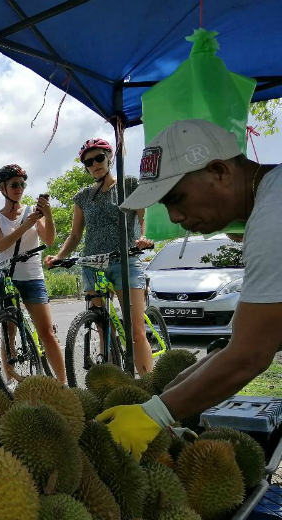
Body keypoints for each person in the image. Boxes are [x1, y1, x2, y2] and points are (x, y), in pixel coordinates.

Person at [96, 118, 281, 458]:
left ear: (219, 172)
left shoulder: (274, 218)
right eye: (166, 206)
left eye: (177, 198)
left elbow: (250, 356)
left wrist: (155, 414)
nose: (175, 217)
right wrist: (166, 398)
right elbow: (251, 342)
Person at [44, 138, 154, 374]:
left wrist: (145, 238)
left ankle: (149, 384)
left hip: (125, 260)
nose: (94, 165)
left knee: (135, 331)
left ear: (109, 158)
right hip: (93, 264)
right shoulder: (83, 196)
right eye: (88, 162)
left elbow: (144, 218)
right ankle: (112, 379)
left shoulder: (129, 184)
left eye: (99, 158)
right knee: (102, 326)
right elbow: (75, 235)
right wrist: (59, 256)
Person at [0, 164, 66, 384]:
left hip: (32, 276)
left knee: (47, 333)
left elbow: (49, 240)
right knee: (8, 333)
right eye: (14, 185)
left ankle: (63, 384)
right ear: (1, 188)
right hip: (7, 278)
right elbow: (0, 245)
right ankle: (10, 383)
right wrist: (25, 226)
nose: (19, 189)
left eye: (22, 184)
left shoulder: (32, 211)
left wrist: (47, 215)